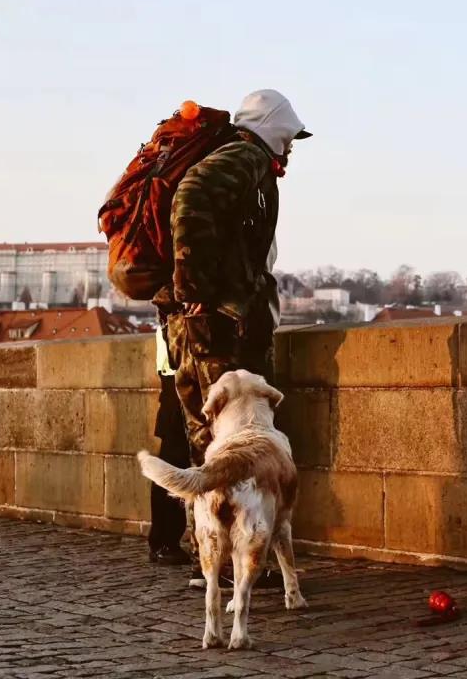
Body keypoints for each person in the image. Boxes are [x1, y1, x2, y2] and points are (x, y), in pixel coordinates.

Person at [152, 89, 310, 587]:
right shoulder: (244, 157)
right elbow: (192, 197)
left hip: (203, 320)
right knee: (229, 444)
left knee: (210, 444)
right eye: (289, 135)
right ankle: (223, 562)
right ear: (273, 127)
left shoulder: (243, 158)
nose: (291, 146)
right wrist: (194, 290)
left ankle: (213, 561)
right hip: (216, 324)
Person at [146, 326, 191, 565]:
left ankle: (162, 541)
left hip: (174, 380)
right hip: (179, 379)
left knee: (171, 466)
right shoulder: (172, 316)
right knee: (173, 467)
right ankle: (165, 542)